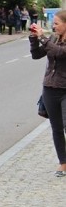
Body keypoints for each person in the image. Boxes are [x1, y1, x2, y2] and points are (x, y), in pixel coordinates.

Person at [30, 14, 66, 176]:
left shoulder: (54, 41)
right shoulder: (53, 38)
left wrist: (42, 37)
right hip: (50, 88)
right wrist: (33, 39)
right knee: (56, 128)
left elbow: (59, 53)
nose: (54, 26)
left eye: (57, 23)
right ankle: (63, 163)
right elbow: (37, 55)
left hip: (65, 88)